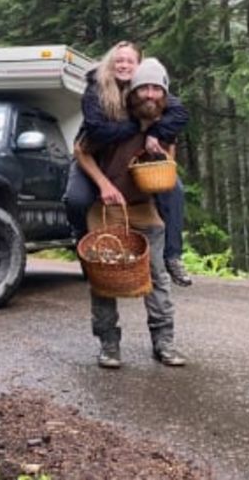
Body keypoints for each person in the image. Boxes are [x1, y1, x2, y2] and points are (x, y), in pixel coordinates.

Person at [75, 58, 187, 369]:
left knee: (157, 278)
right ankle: (109, 344)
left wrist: (160, 153)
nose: (150, 95)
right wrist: (103, 184)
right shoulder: (112, 120)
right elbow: (81, 151)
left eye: (156, 89)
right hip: (106, 209)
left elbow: (168, 167)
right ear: (133, 92)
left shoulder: (166, 124)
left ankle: (164, 343)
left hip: (145, 208)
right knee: (103, 277)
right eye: (144, 89)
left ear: (164, 94)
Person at [65, 42, 192, 286]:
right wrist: (138, 127)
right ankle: (83, 242)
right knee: (76, 199)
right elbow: (96, 133)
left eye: (129, 61)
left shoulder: (148, 91)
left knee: (174, 189)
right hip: (91, 154)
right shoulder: (97, 89)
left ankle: (173, 256)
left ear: (139, 66)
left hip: (131, 161)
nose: (123, 65)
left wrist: (155, 131)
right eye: (118, 60)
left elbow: (179, 115)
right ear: (110, 64)